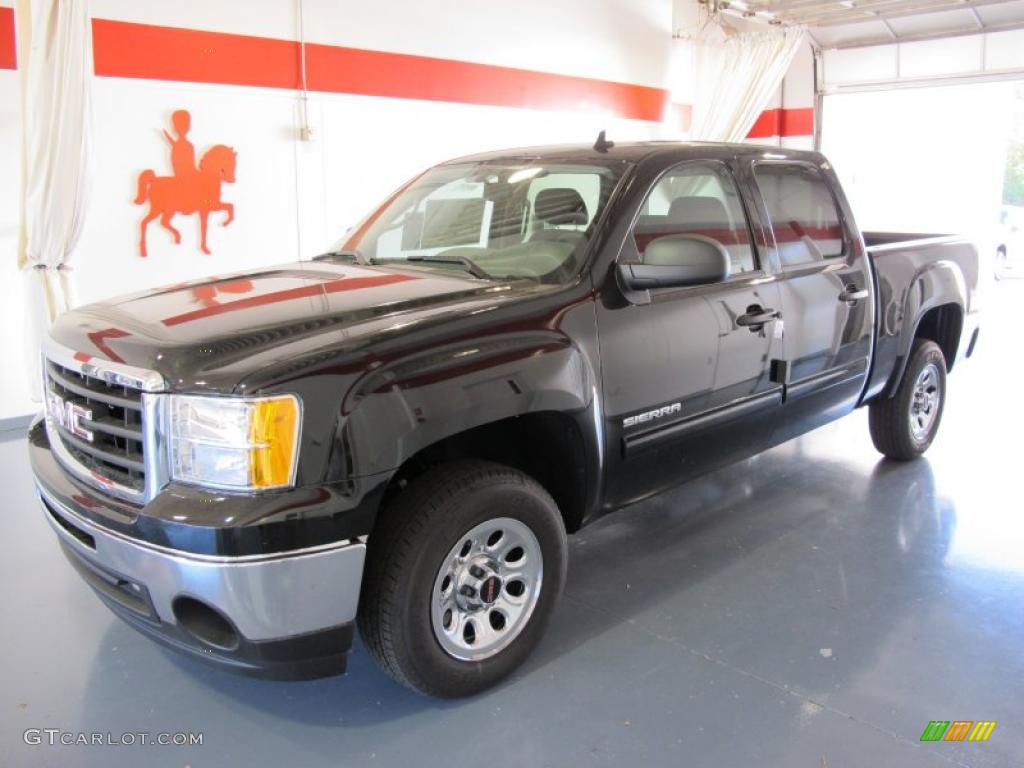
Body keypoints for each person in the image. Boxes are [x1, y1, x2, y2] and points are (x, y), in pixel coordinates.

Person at [163, 109, 197, 180]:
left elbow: (191, 166)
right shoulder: (186, 146)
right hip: (184, 177)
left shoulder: (187, 145)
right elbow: (180, 165)